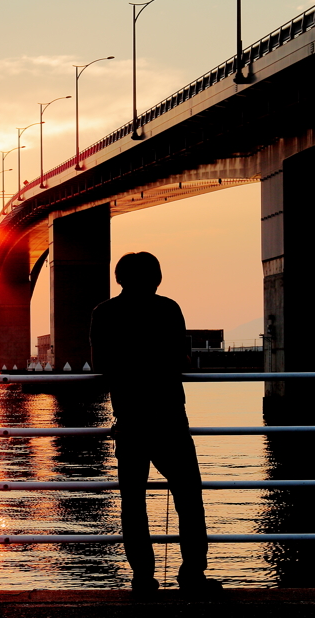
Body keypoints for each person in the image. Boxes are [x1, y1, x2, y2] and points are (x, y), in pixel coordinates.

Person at [89, 252, 221, 595]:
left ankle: (143, 578)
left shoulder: (103, 313)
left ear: (119, 278)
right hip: (169, 417)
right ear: (157, 278)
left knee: (133, 503)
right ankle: (192, 575)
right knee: (189, 499)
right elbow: (180, 358)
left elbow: (100, 362)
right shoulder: (168, 309)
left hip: (130, 419)